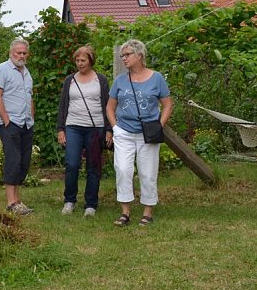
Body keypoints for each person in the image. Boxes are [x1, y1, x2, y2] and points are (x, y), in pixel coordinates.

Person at [105, 39, 173, 227]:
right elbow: (110, 107)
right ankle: (125, 211)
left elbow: (167, 104)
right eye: (122, 55)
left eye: (127, 55)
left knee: (148, 172)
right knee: (123, 169)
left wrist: (159, 125)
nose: (123, 58)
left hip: (148, 133)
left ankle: (148, 211)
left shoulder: (157, 78)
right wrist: (115, 128)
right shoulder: (120, 80)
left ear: (140, 55)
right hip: (124, 132)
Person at [56, 45, 113, 217]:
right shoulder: (69, 80)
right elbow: (63, 106)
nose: (80, 64)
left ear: (91, 61)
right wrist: (61, 129)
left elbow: (108, 105)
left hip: (96, 128)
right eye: (77, 60)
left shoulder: (101, 80)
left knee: (93, 166)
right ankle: (69, 201)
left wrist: (109, 129)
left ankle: (91, 204)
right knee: (72, 164)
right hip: (73, 126)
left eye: (83, 60)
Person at [0, 38, 35, 215]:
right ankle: (10, 202)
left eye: (24, 53)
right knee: (13, 160)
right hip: (10, 124)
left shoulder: (26, 72)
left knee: (23, 162)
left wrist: (31, 117)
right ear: (11, 53)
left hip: (25, 123)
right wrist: (6, 120)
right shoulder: (1, 70)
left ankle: (17, 200)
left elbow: (29, 97)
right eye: (18, 53)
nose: (21, 56)